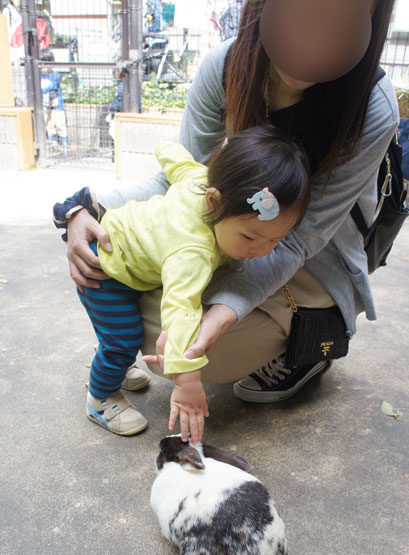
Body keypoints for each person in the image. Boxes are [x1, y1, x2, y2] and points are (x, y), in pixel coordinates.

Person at [63, 0, 399, 414]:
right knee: (155, 320)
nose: (313, 35)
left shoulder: (373, 107)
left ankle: (311, 345)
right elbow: (176, 176)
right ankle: (112, 376)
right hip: (249, 232)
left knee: (191, 341)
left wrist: (223, 314)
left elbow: (299, 240)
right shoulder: (227, 63)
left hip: (313, 252)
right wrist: (80, 212)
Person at [54, 126, 311, 442]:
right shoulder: (193, 252)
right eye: (249, 236)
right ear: (214, 203)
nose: (261, 249)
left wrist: (163, 147)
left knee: (121, 334)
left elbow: (176, 159)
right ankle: (101, 397)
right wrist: (187, 383)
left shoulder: (200, 179)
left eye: (276, 239)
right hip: (105, 269)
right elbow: (180, 312)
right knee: (122, 338)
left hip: (134, 255)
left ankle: (113, 365)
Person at [40, 51, 69, 153]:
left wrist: (41, 90)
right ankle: (53, 143)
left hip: (57, 105)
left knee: (60, 123)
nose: (44, 68)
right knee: (49, 124)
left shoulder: (54, 75)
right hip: (45, 105)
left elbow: (52, 86)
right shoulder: (39, 76)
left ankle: (65, 143)